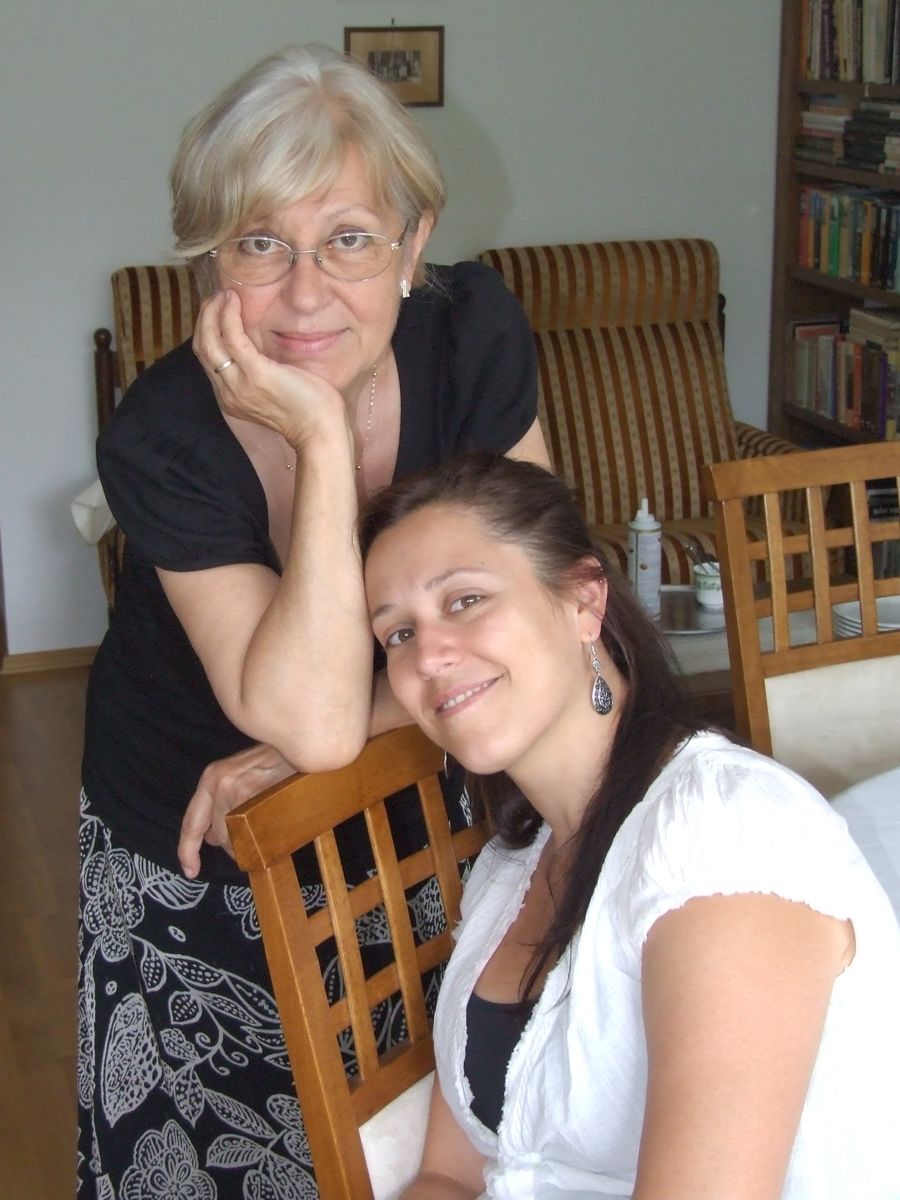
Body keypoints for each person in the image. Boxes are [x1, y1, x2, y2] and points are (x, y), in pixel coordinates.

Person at [78, 45, 549, 1197]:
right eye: (259, 244)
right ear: (209, 259)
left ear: (414, 242)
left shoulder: (473, 338)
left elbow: (534, 615)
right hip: (195, 849)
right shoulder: (163, 436)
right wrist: (324, 441)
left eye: (348, 239)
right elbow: (319, 716)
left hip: (414, 803)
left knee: (411, 1136)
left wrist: (308, 744)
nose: (303, 294)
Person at [359, 453, 900, 1200]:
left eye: (465, 600)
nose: (428, 656)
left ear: (584, 600)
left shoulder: (721, 837)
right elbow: (449, 1174)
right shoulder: (510, 872)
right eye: (397, 635)